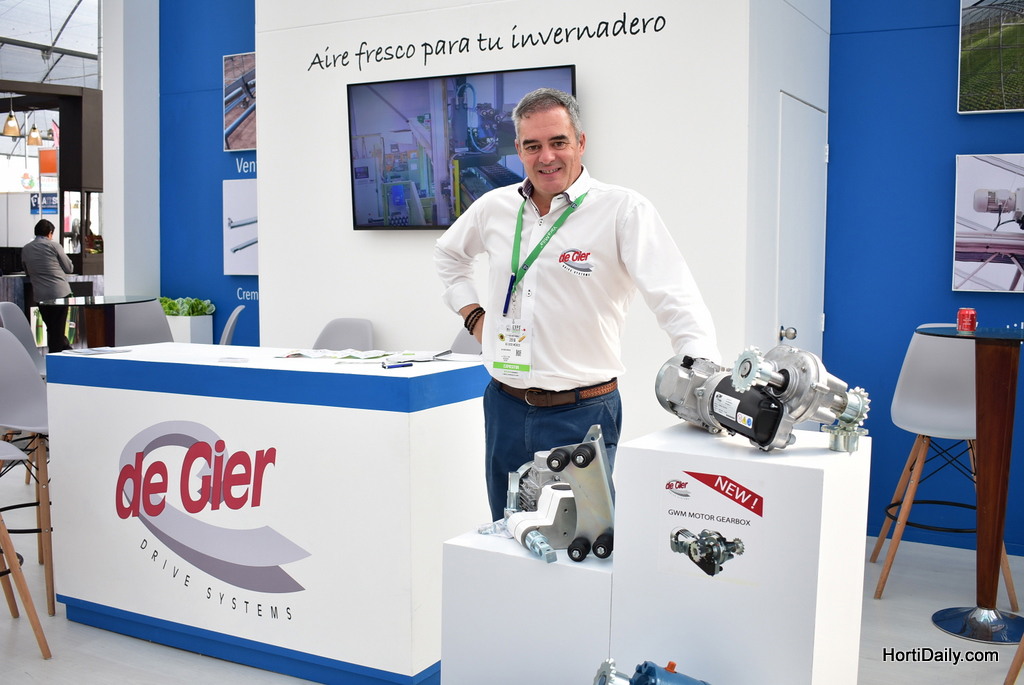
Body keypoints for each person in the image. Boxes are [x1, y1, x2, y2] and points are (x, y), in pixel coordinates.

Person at [434, 88, 720, 521]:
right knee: (506, 534)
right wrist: (473, 315)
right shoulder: (494, 207)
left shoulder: (622, 209)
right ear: (519, 150)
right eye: (533, 145)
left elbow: (675, 296)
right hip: (504, 406)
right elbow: (448, 256)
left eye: (558, 142)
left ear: (580, 142)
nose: (546, 157)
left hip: (582, 413)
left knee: (580, 542)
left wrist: (702, 376)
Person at [21, 218, 74, 353]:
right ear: (50, 233)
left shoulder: (26, 249)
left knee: (53, 328)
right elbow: (69, 268)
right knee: (57, 329)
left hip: (41, 296)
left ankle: (64, 351)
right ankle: (57, 356)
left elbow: (27, 271)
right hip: (60, 293)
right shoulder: (54, 246)